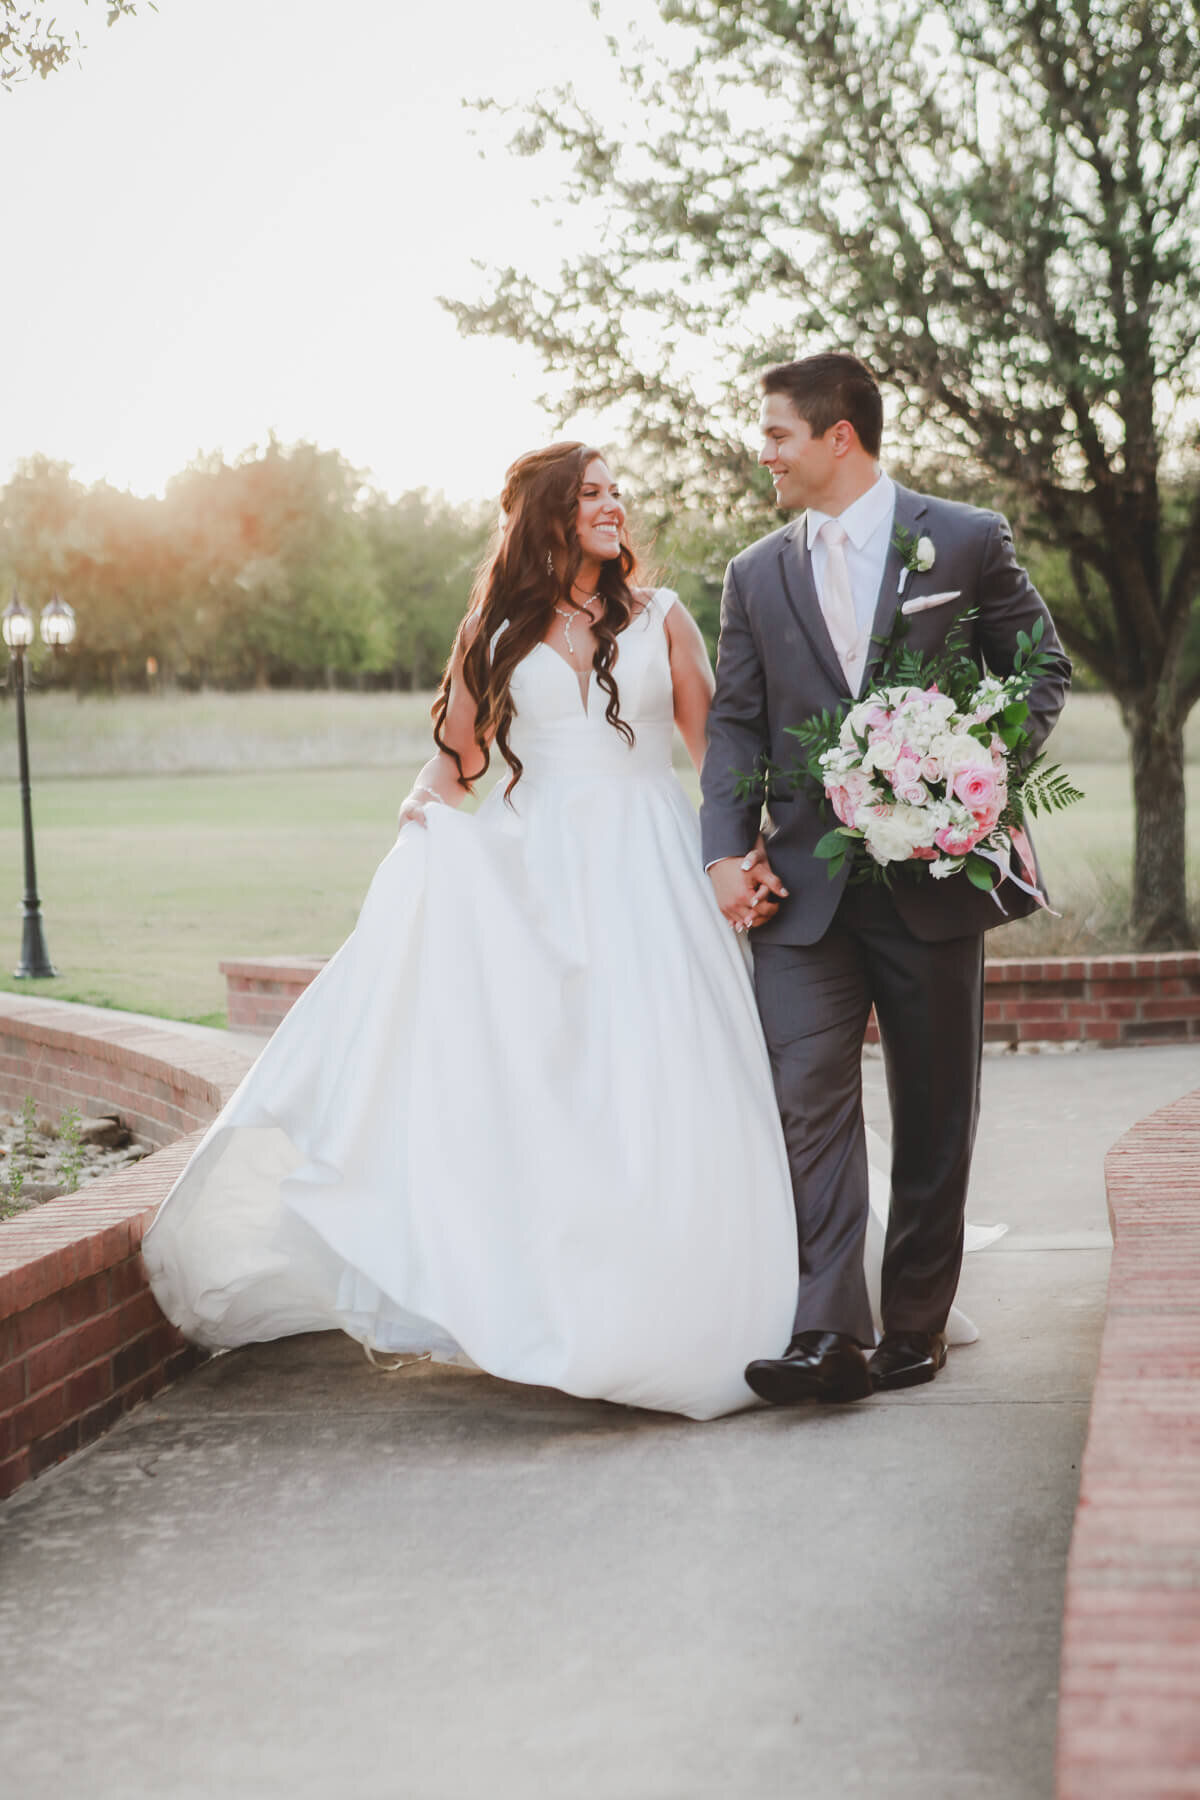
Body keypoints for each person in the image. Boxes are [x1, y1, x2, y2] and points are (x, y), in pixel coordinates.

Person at [142, 442, 800, 1421]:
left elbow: (717, 759)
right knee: (553, 1081)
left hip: (655, 869)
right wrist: (421, 830)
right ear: (547, 516)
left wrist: (748, 852)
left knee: (667, 1068)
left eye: (619, 492)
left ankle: (691, 1286)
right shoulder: (493, 631)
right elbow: (452, 768)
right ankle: (555, 1293)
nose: (615, 506)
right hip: (536, 878)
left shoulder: (664, 619)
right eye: (591, 495)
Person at [701, 353, 1071, 1407]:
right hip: (802, 896)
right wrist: (728, 852)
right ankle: (827, 1332)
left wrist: (968, 764)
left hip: (934, 881)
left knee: (933, 1107)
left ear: (838, 437)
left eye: (776, 433)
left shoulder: (965, 539)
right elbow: (733, 725)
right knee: (806, 1103)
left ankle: (913, 1322)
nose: (763, 451)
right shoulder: (753, 573)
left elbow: (1040, 668)